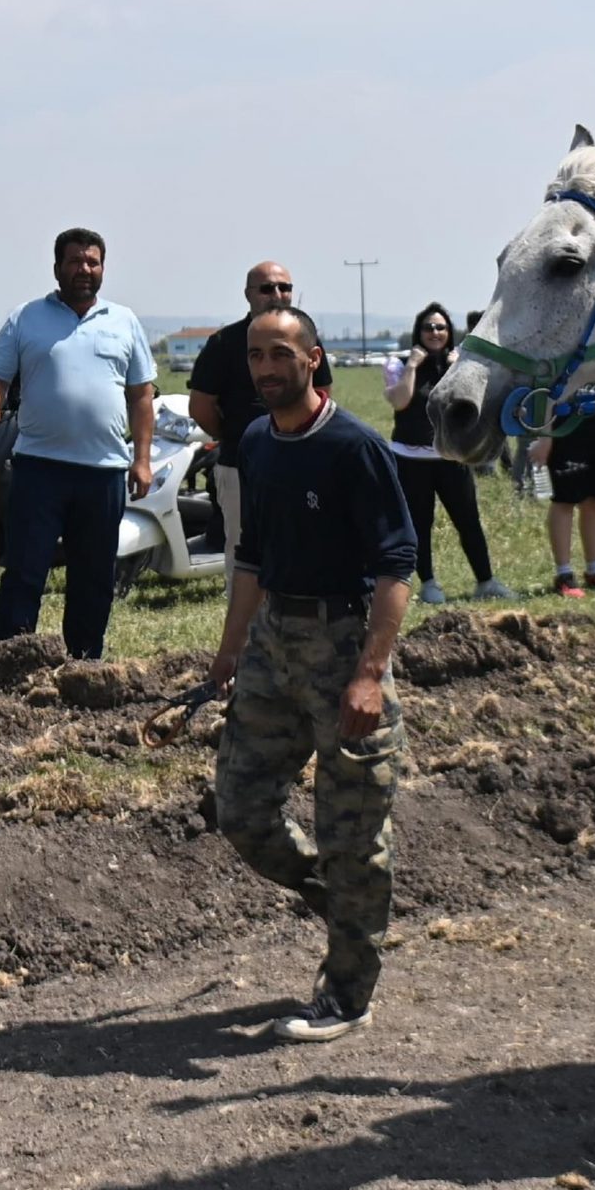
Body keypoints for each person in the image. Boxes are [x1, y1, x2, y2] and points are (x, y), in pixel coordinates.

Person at [208, 307, 416, 1044]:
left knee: (353, 832)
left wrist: (369, 674)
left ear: (313, 358)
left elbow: (397, 566)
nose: (266, 368)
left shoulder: (354, 447)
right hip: (273, 645)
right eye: (256, 355)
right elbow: (251, 558)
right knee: (239, 809)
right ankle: (344, 899)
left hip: (343, 647)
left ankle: (349, 991)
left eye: (280, 354)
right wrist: (230, 653)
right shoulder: (258, 441)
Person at [0, 228, 157, 659]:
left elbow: (141, 396)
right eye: (75, 261)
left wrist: (143, 459)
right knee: (25, 571)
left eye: (92, 262)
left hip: (104, 471)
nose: (84, 269)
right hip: (39, 468)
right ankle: (8, 662)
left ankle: (84, 663)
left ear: (103, 268)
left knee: (94, 574)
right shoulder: (26, 317)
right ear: (57, 267)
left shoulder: (124, 321)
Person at [186, 262, 332, 591]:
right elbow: (201, 406)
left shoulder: (307, 339)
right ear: (248, 295)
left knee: (302, 547)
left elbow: (323, 394)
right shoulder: (224, 342)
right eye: (267, 289)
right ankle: (247, 637)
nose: (277, 295)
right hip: (240, 467)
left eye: (285, 288)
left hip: (299, 463)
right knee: (244, 558)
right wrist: (241, 438)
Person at [381, 302, 508, 605]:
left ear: (450, 332)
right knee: (419, 524)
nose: (435, 332)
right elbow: (399, 402)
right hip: (411, 460)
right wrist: (412, 366)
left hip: (453, 457)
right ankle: (429, 584)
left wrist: (456, 368)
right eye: (428, 327)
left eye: (440, 327)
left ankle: (486, 581)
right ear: (418, 331)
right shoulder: (398, 364)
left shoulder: (461, 362)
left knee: (468, 520)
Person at [536, 411, 595, 597]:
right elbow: (546, 393)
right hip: (566, 422)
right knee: (564, 500)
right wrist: (545, 436)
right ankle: (564, 575)